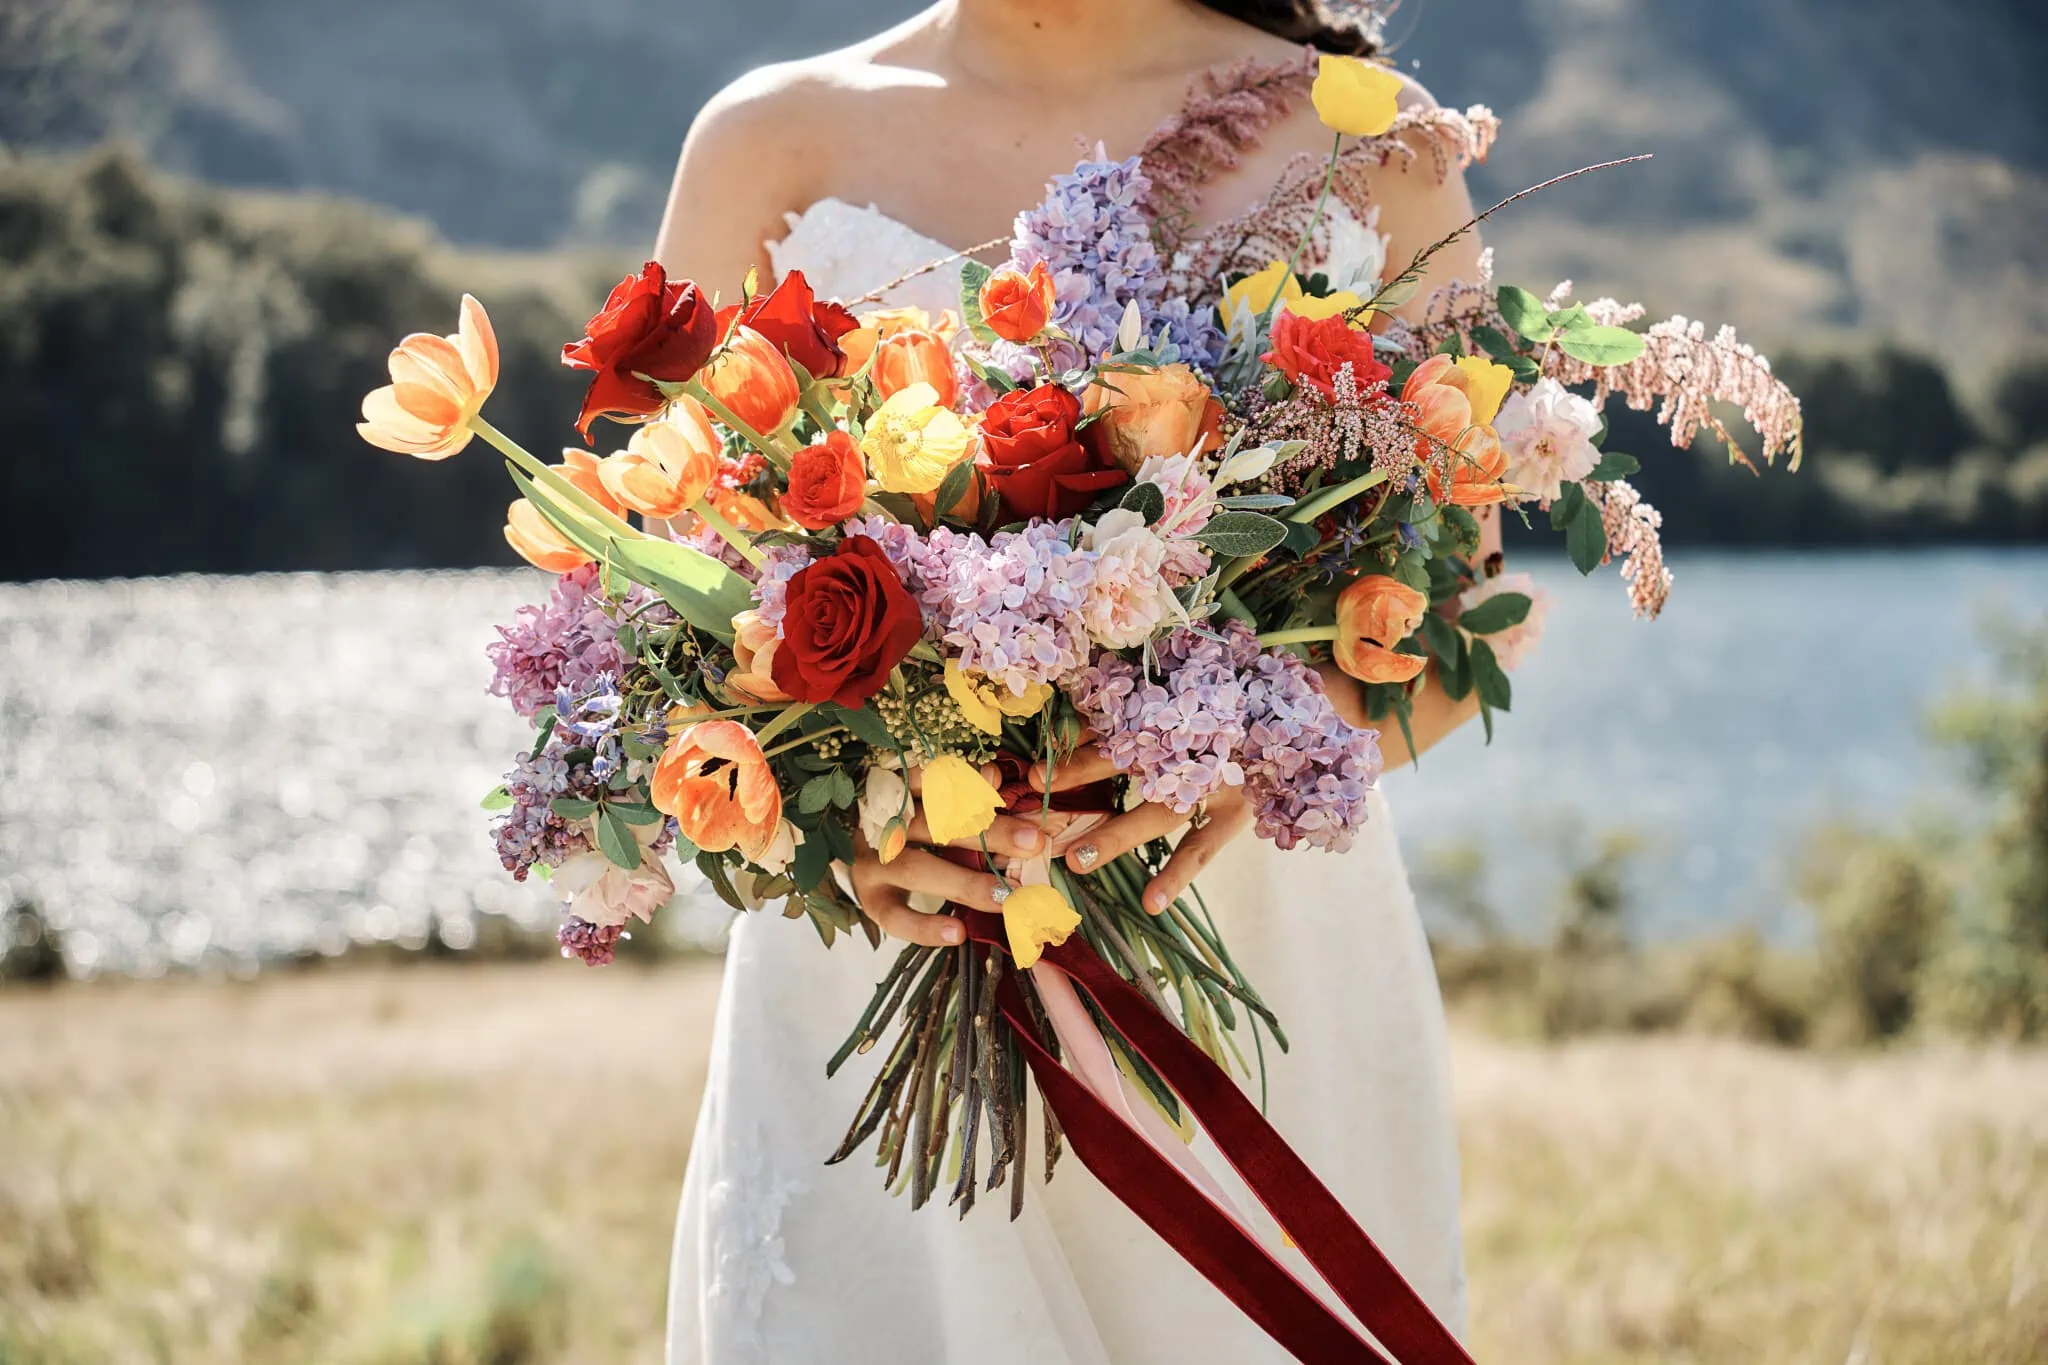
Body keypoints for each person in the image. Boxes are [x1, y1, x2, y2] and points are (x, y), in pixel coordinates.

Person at [655, 3, 1499, 1360]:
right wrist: (822, 836)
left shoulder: (1369, 133)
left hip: (1258, 948)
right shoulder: (770, 140)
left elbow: (1463, 627)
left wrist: (1250, 752)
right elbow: (662, 601)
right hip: (879, 952)